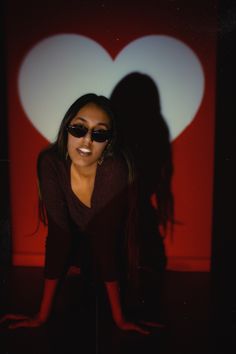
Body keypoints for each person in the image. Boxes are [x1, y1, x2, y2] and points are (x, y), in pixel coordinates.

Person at [0, 93, 166, 334]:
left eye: (99, 134)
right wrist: (41, 316)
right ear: (66, 129)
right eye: (78, 129)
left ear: (109, 142)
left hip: (119, 253)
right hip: (80, 251)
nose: (86, 141)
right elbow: (59, 235)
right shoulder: (50, 163)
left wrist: (119, 320)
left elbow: (106, 242)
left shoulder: (114, 169)